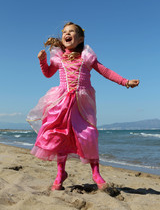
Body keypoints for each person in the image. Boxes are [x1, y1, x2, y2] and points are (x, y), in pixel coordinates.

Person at [27, 22, 139, 191]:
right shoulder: (58, 57)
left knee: (89, 134)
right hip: (62, 101)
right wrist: (43, 61)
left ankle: (96, 173)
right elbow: (48, 73)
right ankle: (60, 174)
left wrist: (125, 82)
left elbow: (105, 71)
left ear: (80, 38)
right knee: (60, 136)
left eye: (71, 32)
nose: (66, 34)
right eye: (64, 32)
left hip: (82, 103)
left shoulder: (86, 57)